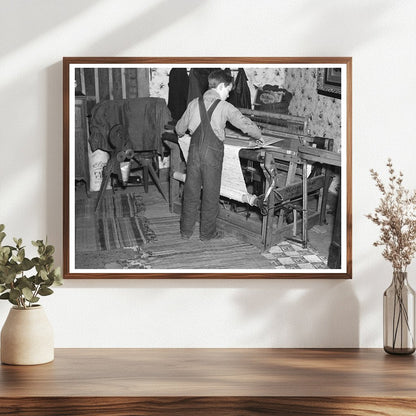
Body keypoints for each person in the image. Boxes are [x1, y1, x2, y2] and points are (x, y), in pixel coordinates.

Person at [175, 69, 262, 241]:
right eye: (228, 90)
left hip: (194, 152)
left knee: (191, 192)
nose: (229, 94)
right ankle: (207, 234)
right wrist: (259, 135)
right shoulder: (224, 107)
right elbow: (244, 124)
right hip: (212, 154)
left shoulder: (193, 103)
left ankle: (185, 232)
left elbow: (179, 129)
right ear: (221, 86)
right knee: (211, 194)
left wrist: (183, 134)